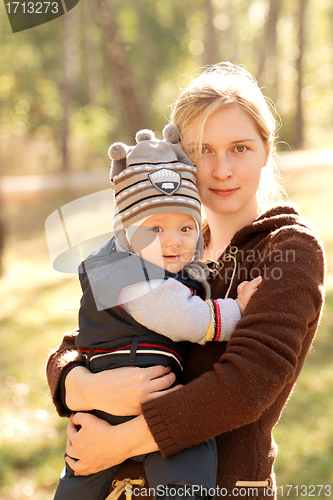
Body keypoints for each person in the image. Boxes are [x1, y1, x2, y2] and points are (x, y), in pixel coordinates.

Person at [47, 62, 325, 500]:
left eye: (240, 148)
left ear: (267, 151)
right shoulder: (167, 244)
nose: (221, 170)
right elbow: (87, 334)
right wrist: (79, 384)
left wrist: (119, 441)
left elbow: (246, 385)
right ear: (179, 158)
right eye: (202, 150)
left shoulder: (288, 250)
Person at [53, 125, 261, 500]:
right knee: (187, 464)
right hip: (132, 392)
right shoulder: (130, 273)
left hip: (127, 397)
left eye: (185, 227)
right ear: (126, 235)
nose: (173, 240)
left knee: (82, 480)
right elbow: (188, 319)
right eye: (155, 229)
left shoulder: (154, 268)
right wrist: (238, 310)